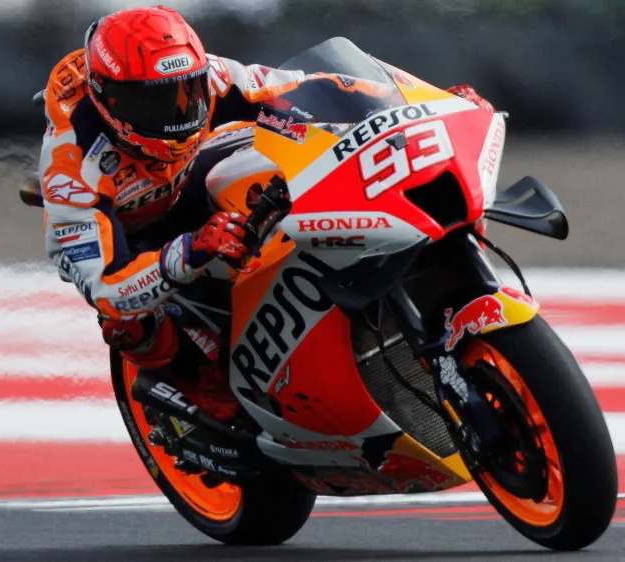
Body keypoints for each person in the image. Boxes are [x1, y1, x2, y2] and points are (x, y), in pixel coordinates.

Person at [39, 5, 490, 424]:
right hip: (134, 236)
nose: (177, 113)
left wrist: (424, 103)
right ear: (107, 100)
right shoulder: (71, 164)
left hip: (194, 175)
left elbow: (311, 87)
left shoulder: (213, 77)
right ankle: (198, 384)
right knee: (124, 321)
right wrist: (190, 250)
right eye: (151, 103)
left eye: (185, 93)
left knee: (283, 157)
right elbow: (107, 285)